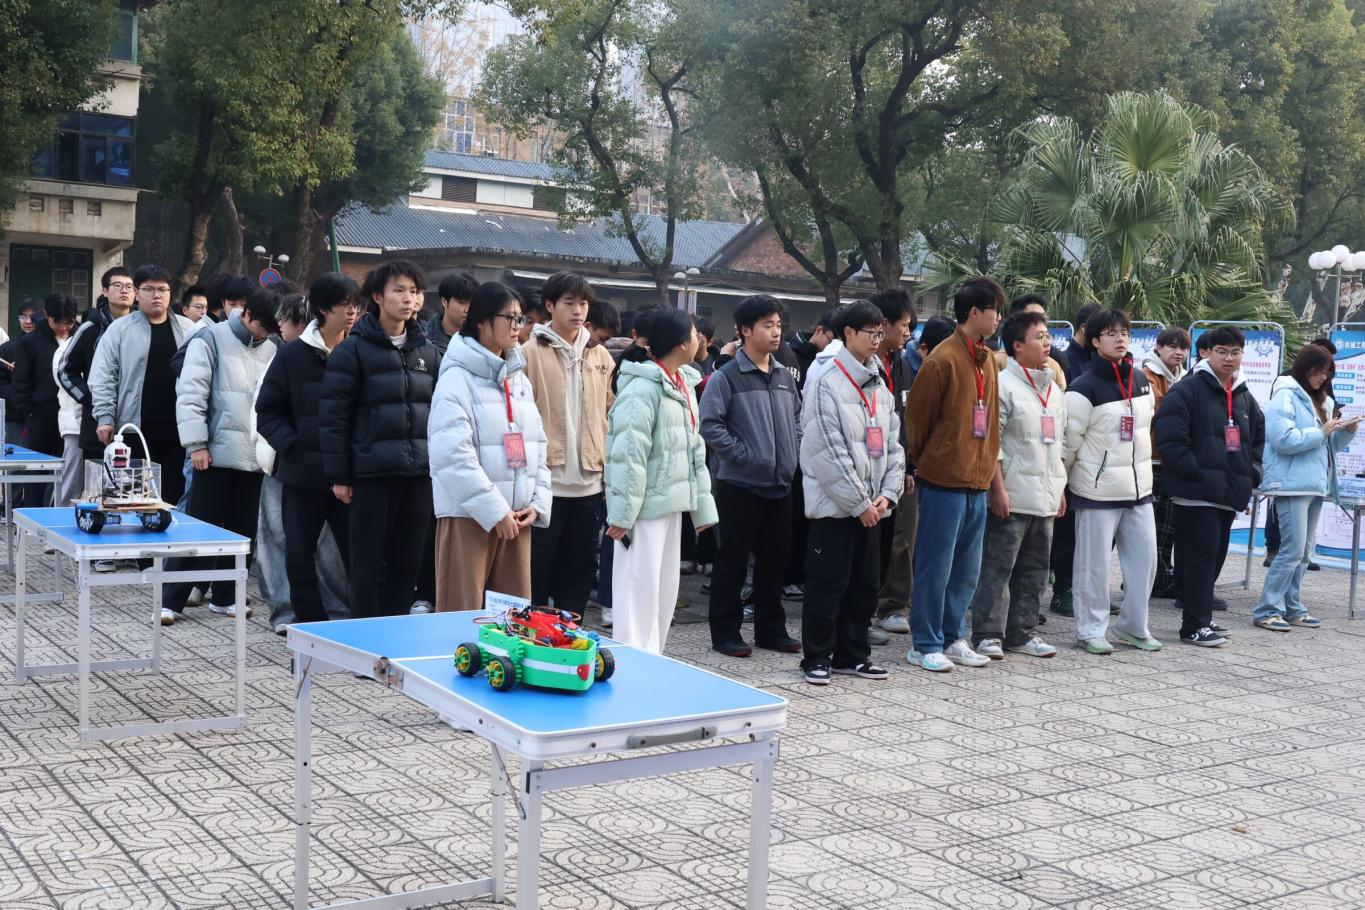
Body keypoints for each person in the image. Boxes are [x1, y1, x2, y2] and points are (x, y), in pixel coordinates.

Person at [319, 259, 438, 618]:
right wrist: (340, 475)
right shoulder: (352, 351)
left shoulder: (427, 351)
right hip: (371, 474)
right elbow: (334, 417)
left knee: (407, 561)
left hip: (417, 474)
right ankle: (363, 633)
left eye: (414, 291)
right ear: (378, 297)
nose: (408, 298)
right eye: (399, 290)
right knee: (367, 562)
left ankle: (395, 633)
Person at [798, 300, 904, 684]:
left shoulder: (879, 383)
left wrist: (888, 494)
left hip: (872, 508)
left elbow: (893, 445)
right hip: (835, 508)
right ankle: (817, 657)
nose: (877, 339)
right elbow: (827, 451)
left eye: (880, 332)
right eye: (870, 332)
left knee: (864, 586)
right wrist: (859, 502)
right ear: (848, 333)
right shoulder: (826, 381)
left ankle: (853, 655)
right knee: (828, 586)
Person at [157, 290, 279, 625]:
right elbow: (190, 394)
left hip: (253, 456)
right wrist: (196, 444)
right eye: (262, 326)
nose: (265, 334)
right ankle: (170, 600)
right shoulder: (210, 338)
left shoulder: (272, 347)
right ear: (247, 313)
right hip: (211, 453)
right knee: (199, 527)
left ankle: (226, 597)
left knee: (241, 533)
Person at [431, 283, 551, 611]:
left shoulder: (518, 377)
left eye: (520, 318)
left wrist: (537, 503)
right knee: (461, 615)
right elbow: (452, 457)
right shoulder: (456, 379)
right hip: (469, 516)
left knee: (512, 618)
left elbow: (538, 445)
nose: (518, 326)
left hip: (517, 517)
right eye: (510, 318)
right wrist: (495, 511)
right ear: (482, 321)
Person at [903, 278, 1003, 672]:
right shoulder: (942, 359)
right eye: (993, 310)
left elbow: (990, 419)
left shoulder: (987, 359)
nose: (998, 318)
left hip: (977, 480)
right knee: (935, 566)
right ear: (974, 312)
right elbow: (917, 423)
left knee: (966, 569)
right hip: (943, 480)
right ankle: (924, 642)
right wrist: (935, 459)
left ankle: (953, 636)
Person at [604, 309, 717, 654]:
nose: (699, 339)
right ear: (681, 343)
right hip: (642, 509)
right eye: (695, 334)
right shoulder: (642, 387)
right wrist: (623, 514)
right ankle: (631, 662)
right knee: (637, 590)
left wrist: (702, 509)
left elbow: (695, 449)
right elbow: (628, 454)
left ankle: (652, 659)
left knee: (663, 592)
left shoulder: (682, 383)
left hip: (671, 504)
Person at [256, 273, 361, 629]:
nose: (352, 312)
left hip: (351, 476)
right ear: (323, 309)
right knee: (299, 553)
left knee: (358, 554)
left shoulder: (360, 352)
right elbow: (267, 412)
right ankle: (309, 625)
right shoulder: (291, 356)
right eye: (344, 305)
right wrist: (294, 446)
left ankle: (363, 623)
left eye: (355, 305)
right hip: (303, 475)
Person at [700, 294, 803, 658]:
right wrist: (744, 456)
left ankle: (770, 630)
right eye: (767, 325)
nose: (776, 332)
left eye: (778, 325)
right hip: (739, 484)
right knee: (732, 560)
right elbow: (710, 425)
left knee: (775, 562)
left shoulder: (784, 376)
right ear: (745, 330)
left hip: (780, 484)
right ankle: (725, 633)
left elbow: (797, 420)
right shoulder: (726, 376)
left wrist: (791, 452)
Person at [1155, 325, 1263, 648]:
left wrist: (1252, 472)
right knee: (1198, 560)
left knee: (1214, 558)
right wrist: (1195, 473)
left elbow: (1257, 439)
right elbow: (1170, 439)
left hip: (1228, 493)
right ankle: (1193, 626)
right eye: (1222, 351)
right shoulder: (1188, 389)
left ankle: (1202, 616)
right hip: (1196, 494)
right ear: (1207, 353)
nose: (1229, 358)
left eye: (1235, 352)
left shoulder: (1243, 395)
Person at [1062, 308, 1162, 654]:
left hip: (1139, 490)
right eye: (1111, 333)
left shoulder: (1141, 380)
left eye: (1124, 333)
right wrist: (1061, 485)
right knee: (1093, 567)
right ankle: (1090, 630)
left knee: (1145, 563)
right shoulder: (1082, 387)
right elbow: (1068, 444)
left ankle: (1134, 626)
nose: (1120, 339)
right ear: (1094, 341)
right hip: (1096, 492)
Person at [968, 310, 1066, 659]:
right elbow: (991, 443)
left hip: (1046, 496)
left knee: (1035, 571)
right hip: (1011, 495)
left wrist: (1060, 489)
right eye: (1039, 337)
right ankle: (988, 634)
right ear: (1017, 345)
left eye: (1048, 336)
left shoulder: (1054, 389)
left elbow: (1060, 444)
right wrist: (997, 490)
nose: (1047, 343)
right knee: (998, 568)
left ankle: (1022, 634)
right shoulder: (1003, 385)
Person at [522, 271, 614, 617]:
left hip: (589, 483)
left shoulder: (600, 356)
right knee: (537, 573)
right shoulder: (528, 353)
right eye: (569, 303)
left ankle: (570, 635)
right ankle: (532, 635)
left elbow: (611, 413)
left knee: (578, 575)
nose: (578, 310)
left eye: (584, 304)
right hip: (546, 484)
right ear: (550, 306)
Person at [1253, 343, 1359, 632]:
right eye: (1321, 371)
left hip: (1315, 484)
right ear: (1305, 368)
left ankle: (1293, 607)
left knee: (1305, 552)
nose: (1324, 377)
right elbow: (1283, 440)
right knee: (1292, 550)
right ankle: (1267, 610)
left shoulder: (1324, 401)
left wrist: (1347, 432)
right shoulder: (1285, 395)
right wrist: (1320, 431)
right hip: (1291, 485)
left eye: (1328, 373)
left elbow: (1327, 446)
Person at [89, 264, 200, 507]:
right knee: (132, 496)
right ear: (137, 293)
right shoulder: (119, 330)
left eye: (162, 289)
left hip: (178, 429)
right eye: (149, 289)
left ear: (170, 293)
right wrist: (105, 417)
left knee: (173, 495)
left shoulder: (190, 330)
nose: (156, 295)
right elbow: (103, 376)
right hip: (134, 428)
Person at [866, 290, 918, 642]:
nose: (908, 334)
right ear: (883, 324)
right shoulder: (858, 364)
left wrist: (908, 467)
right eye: (904, 326)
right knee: (867, 545)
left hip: (894, 467)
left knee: (894, 541)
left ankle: (884, 607)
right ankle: (861, 613)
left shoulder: (901, 364)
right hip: (864, 469)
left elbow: (904, 420)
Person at [58, 267, 136, 464]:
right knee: (99, 477)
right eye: (117, 285)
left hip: (135, 422)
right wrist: (88, 397)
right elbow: (65, 370)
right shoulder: (90, 329)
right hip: (97, 423)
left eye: (129, 286)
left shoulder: (141, 327)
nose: (124, 290)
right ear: (105, 291)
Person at [11, 295, 77, 506]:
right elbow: (21, 381)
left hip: (73, 418)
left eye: (69, 323)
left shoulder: (79, 337)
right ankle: (30, 518)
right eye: (58, 322)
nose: (64, 328)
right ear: (47, 315)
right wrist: (28, 412)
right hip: (41, 417)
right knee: (36, 475)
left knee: (68, 474)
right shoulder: (30, 342)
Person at [1142, 327, 1190, 598]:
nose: (1178, 352)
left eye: (1183, 347)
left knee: (1167, 526)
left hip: (1173, 460)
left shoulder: (1184, 377)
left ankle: (1161, 577)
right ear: (1159, 348)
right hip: (1151, 458)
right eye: (1172, 346)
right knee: (1150, 526)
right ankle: (1147, 578)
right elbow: (1160, 412)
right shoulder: (1147, 376)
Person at [993, 295, 1067, 390]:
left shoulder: (1054, 367)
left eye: (1043, 317)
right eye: (1033, 317)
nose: (1039, 321)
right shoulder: (997, 362)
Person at [428, 271, 476, 359]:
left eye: (472, 303)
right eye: (462, 302)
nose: (467, 310)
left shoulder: (483, 341)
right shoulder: (425, 340)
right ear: (444, 302)